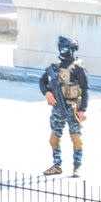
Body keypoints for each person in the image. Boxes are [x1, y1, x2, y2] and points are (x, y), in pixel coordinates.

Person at [39, 36, 89, 178]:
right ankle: (57, 165)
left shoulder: (78, 68)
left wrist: (82, 110)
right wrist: (47, 93)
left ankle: (77, 167)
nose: (62, 51)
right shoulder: (55, 67)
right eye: (60, 48)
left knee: (76, 139)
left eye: (65, 48)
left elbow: (85, 90)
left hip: (73, 108)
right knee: (54, 138)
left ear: (73, 50)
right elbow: (42, 81)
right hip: (57, 108)